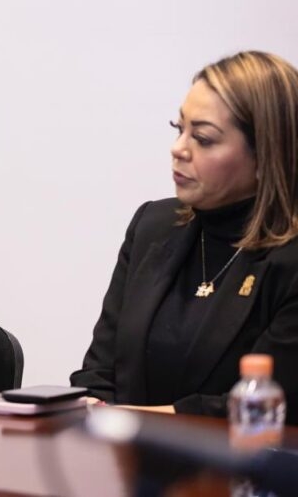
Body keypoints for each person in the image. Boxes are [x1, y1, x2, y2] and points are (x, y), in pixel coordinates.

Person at [71, 51, 298, 422]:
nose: (178, 149)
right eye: (180, 129)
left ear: (265, 156)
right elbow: (99, 373)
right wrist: (97, 415)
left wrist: (123, 422)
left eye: (203, 139)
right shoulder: (153, 225)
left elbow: (261, 408)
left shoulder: (290, 260)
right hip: (121, 451)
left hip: (240, 457)